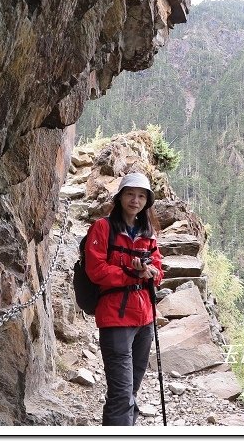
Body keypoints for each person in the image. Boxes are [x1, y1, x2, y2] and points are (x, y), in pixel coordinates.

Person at [84, 171, 163, 426]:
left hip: (144, 319)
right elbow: (96, 270)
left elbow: (159, 270)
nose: (135, 200)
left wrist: (151, 273)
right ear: (120, 197)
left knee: (131, 391)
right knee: (121, 393)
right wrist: (132, 273)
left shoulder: (147, 233)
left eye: (141, 196)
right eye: (130, 194)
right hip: (115, 318)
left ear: (147, 202)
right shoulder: (102, 228)